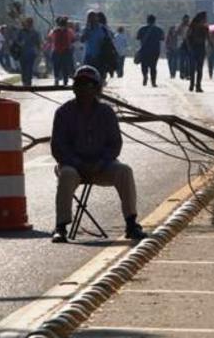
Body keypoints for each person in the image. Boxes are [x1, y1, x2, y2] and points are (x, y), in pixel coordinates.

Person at [50, 66, 148, 244]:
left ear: (96, 88)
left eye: (85, 84)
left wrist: (101, 162)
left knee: (124, 171)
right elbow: (58, 147)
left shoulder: (106, 113)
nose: (79, 87)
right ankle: (61, 227)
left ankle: (131, 224)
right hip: (73, 166)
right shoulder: (63, 113)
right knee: (66, 175)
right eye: (77, 83)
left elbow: (115, 144)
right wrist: (78, 163)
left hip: (101, 166)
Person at [135, 15, 165, 87]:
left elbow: (137, 37)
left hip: (144, 50)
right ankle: (153, 82)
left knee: (144, 65)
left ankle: (145, 75)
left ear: (147, 20)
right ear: (154, 21)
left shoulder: (142, 29)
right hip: (155, 50)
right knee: (153, 66)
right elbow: (162, 38)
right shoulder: (159, 29)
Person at [185, 11, 209, 93]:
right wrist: (189, 47)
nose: (206, 19)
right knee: (194, 68)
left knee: (198, 68)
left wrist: (213, 47)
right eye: (205, 17)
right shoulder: (193, 26)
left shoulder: (205, 27)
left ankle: (197, 85)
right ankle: (193, 85)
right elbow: (187, 37)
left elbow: (208, 38)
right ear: (202, 18)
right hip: (194, 48)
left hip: (200, 48)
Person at [15, 17, 43, 87]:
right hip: (22, 53)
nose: (29, 24)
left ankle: (28, 81)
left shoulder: (35, 32)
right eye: (28, 22)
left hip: (31, 53)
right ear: (26, 23)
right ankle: (24, 81)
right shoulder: (21, 31)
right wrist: (20, 43)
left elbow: (38, 43)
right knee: (23, 68)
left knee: (30, 68)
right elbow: (16, 41)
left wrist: (40, 52)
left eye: (30, 22)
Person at [49, 17, 76, 86]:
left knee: (56, 66)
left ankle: (56, 79)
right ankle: (65, 80)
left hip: (56, 51)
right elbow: (73, 39)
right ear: (66, 24)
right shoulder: (69, 31)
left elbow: (50, 38)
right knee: (65, 66)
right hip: (66, 51)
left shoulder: (54, 31)